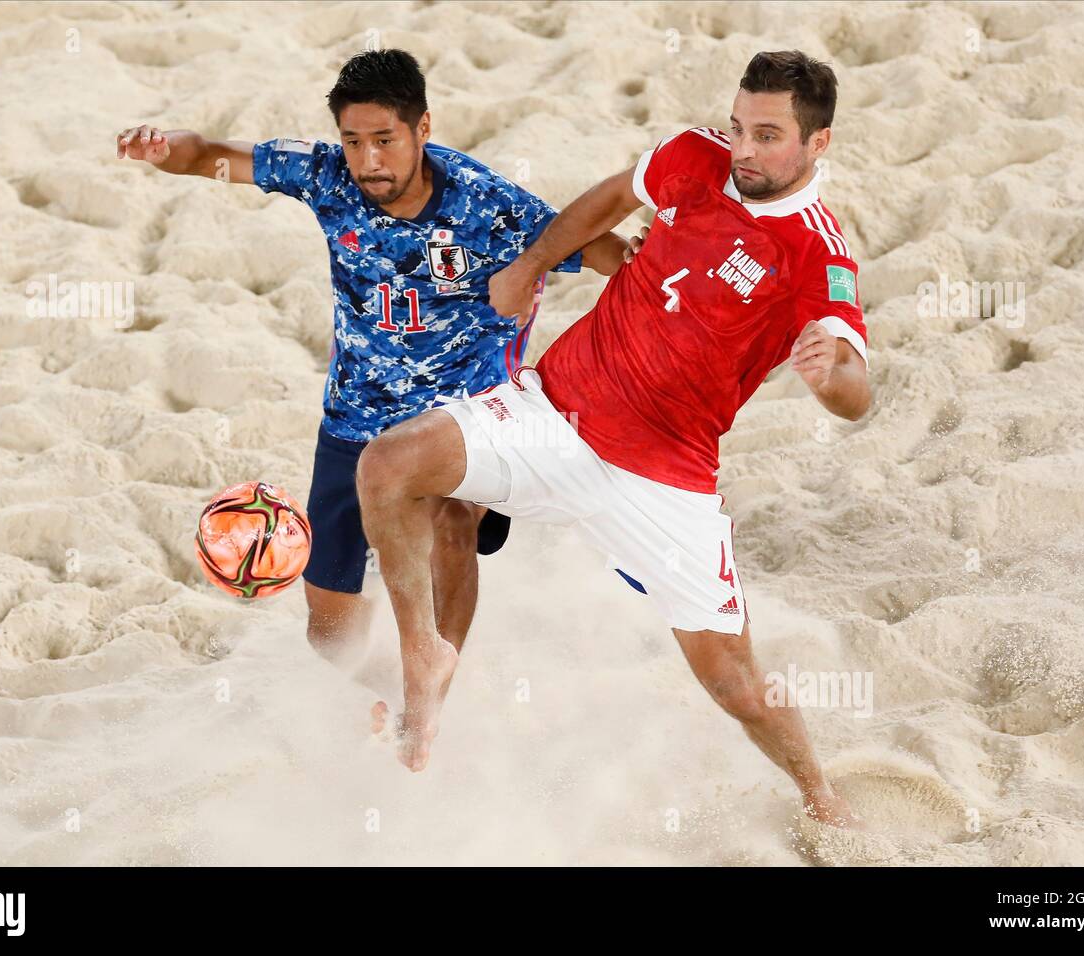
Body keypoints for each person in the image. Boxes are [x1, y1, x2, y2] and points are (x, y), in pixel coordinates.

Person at [356, 50, 869, 827]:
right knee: (392, 466)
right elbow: (608, 200)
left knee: (734, 684)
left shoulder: (817, 251)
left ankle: (821, 797)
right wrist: (534, 262)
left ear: (817, 143)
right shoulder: (695, 156)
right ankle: (423, 661)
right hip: (554, 412)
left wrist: (832, 376)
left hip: (664, 480)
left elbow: (855, 392)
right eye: (739, 127)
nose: (744, 150)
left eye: (768, 136)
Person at [116, 49, 625, 662]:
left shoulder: (485, 204)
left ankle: (437, 687)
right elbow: (204, 155)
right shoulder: (328, 176)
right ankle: (387, 703)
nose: (368, 160)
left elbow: (600, 252)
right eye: (353, 142)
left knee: (452, 526)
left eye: (384, 140)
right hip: (354, 420)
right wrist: (158, 145)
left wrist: (655, 266)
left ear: (423, 129)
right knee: (330, 640)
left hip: (461, 422)